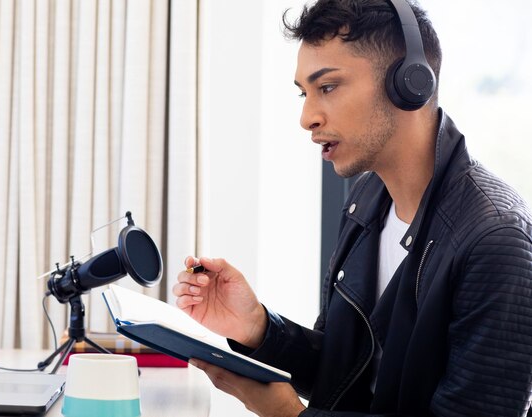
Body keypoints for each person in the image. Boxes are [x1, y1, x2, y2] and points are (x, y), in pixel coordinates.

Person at [173, 0, 532, 416]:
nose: (306, 117)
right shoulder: (367, 200)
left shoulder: (495, 239)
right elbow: (345, 370)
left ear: (409, 84)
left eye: (327, 87)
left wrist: (289, 414)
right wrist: (258, 327)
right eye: (303, 93)